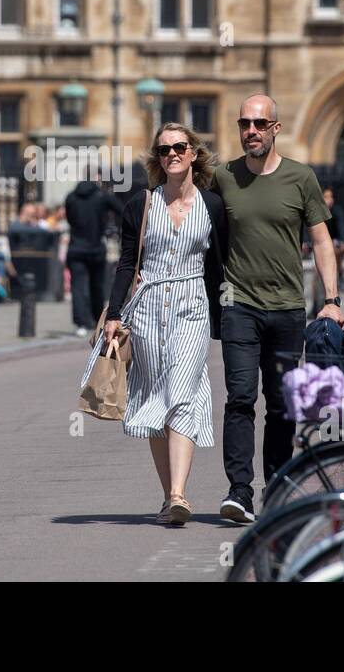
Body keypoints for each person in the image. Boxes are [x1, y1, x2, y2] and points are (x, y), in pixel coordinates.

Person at [211, 94, 344, 525]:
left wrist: (332, 301)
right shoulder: (223, 178)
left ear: (275, 129)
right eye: (244, 123)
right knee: (240, 398)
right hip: (238, 306)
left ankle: (278, 487)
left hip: (288, 308)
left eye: (259, 124)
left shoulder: (300, 178)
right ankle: (238, 493)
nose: (250, 131)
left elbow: (323, 241)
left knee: (282, 404)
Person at [93, 122, 229, 526]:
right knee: (155, 396)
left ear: (193, 154)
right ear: (157, 159)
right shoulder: (141, 204)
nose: (171, 154)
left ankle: (178, 494)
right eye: (164, 149)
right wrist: (114, 314)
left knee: (184, 391)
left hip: (191, 306)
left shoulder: (213, 206)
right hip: (148, 305)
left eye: (179, 147)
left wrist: (230, 316)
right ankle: (167, 496)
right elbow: (125, 261)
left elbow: (220, 266)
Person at [64, 177, 121, 336]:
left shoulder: (71, 197)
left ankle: (81, 323)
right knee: (97, 286)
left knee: (78, 287)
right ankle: (98, 320)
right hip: (96, 247)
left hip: (76, 247)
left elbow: (69, 219)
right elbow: (122, 210)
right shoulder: (102, 196)